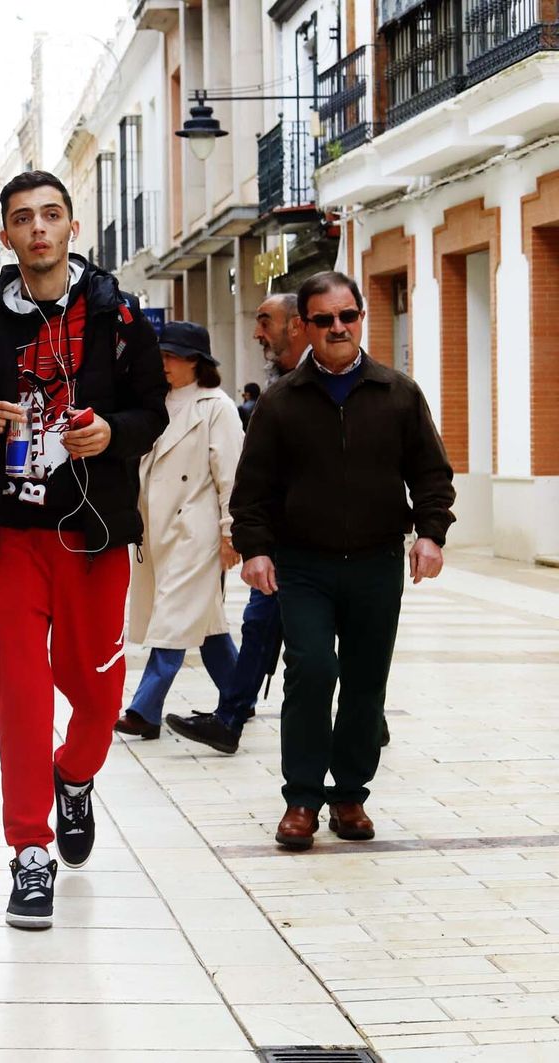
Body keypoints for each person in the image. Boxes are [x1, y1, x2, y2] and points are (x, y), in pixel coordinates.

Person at [0, 170, 167, 928]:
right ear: (5, 235)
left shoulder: (119, 314)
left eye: (52, 215)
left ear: (72, 227)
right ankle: (29, 852)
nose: (38, 228)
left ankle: (75, 775)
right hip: (13, 535)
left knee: (98, 692)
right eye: (23, 218)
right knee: (22, 698)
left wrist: (111, 435)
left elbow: (150, 412)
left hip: (94, 535)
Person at [230, 271, 455, 851]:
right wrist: (255, 549)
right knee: (311, 671)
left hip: (377, 563)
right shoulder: (281, 401)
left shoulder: (398, 393)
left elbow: (431, 475)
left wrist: (431, 534)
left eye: (348, 316)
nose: (338, 328)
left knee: (364, 680)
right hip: (302, 566)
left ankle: (350, 794)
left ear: (360, 320)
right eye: (325, 319)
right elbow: (250, 491)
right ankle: (302, 799)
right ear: (304, 327)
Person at [168, 293, 304, 754]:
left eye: (264, 321)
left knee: (314, 637)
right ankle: (230, 718)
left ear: (297, 325)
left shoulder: (228, 404)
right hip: (283, 537)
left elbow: (232, 469)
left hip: (325, 540)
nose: (255, 332)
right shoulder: (280, 387)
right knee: (260, 625)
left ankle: (365, 718)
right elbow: (255, 472)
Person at [115, 321, 244, 739]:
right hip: (157, 530)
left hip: (197, 531)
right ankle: (239, 695)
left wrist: (231, 533)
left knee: (172, 619)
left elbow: (231, 476)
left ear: (196, 362)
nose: (164, 363)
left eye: (172, 356)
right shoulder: (155, 404)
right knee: (206, 624)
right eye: (161, 354)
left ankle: (144, 711)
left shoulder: (216, 407)